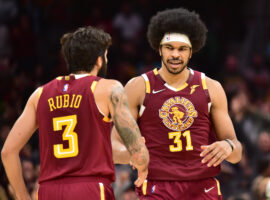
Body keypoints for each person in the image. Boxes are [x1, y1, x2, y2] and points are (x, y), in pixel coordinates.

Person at [1, 26, 149, 200]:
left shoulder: (39, 94)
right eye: (106, 55)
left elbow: (8, 152)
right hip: (90, 190)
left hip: (49, 191)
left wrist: (23, 197)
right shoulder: (109, 88)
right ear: (99, 60)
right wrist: (142, 158)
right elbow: (138, 154)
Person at [112, 8, 242, 199]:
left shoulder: (211, 87)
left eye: (182, 49)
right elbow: (114, 146)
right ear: (159, 48)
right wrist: (132, 154)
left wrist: (228, 147)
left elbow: (236, 152)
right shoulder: (138, 87)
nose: (175, 54)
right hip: (157, 186)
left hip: (202, 187)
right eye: (169, 47)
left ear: (191, 52)